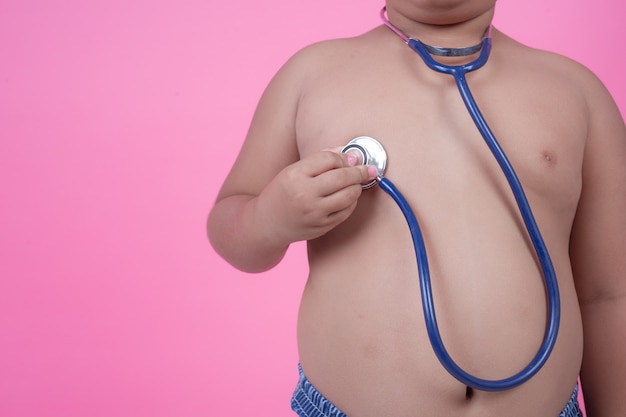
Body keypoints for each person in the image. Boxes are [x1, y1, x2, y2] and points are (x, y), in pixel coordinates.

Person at [208, 0, 626, 415]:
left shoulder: (575, 91)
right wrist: (269, 219)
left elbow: (608, 295)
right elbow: (230, 226)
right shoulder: (311, 75)